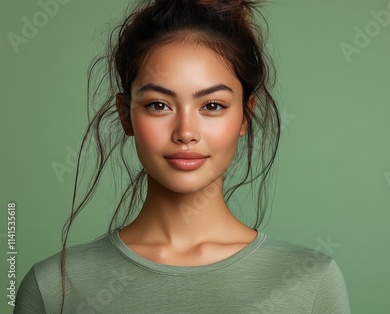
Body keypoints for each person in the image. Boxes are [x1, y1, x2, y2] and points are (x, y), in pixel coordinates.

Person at [14, 0, 351, 313]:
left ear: (246, 116)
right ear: (126, 115)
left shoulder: (312, 283)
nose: (186, 132)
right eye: (158, 105)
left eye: (212, 105)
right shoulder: (52, 288)